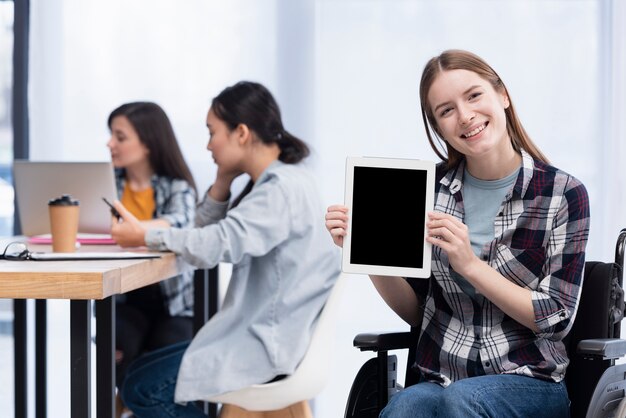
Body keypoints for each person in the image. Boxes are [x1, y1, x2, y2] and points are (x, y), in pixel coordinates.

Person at [325, 50, 590, 417]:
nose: (465, 116)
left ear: (503, 95)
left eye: (474, 96)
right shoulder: (427, 192)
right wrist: (365, 252)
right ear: (438, 126)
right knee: (404, 407)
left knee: (464, 400)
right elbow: (416, 313)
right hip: (442, 377)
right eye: (446, 110)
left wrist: (470, 265)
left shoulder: (563, 194)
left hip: (531, 379)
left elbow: (556, 318)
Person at [110, 81, 340, 417]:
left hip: (265, 345)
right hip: (272, 336)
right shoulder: (287, 179)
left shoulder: (279, 190)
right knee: (136, 376)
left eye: (212, 132)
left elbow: (213, 245)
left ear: (241, 133)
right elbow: (203, 235)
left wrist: (146, 237)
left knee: (140, 388)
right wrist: (221, 183)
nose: (207, 145)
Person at [106, 102, 198, 405]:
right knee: (116, 342)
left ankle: (146, 408)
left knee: (167, 351)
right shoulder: (108, 184)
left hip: (173, 304)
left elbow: (184, 222)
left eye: (120, 137)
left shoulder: (177, 186)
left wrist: (138, 232)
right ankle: (129, 407)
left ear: (147, 142)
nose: (110, 144)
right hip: (126, 298)